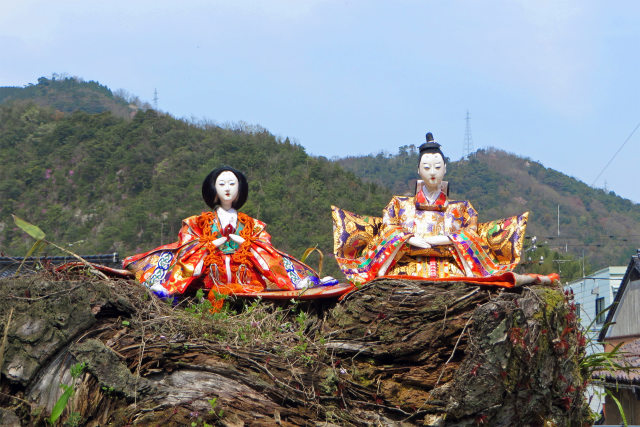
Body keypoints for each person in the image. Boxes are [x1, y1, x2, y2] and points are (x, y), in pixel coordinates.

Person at [124, 166, 336, 307]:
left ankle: (299, 283)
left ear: (239, 189)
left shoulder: (252, 224)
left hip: (243, 274)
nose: (227, 188)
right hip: (210, 273)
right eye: (222, 184)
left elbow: (265, 247)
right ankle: (169, 286)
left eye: (232, 184)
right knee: (188, 254)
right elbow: (187, 243)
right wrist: (209, 244)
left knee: (274, 257)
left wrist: (246, 243)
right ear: (214, 189)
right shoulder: (199, 222)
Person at [332, 132, 528, 285]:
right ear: (418, 170)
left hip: (453, 268)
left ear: (445, 168)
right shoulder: (399, 205)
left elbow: (470, 233)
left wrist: (446, 239)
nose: (432, 172)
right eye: (426, 167)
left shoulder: (462, 208)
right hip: (405, 267)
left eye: (437, 167)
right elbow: (388, 230)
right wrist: (407, 238)